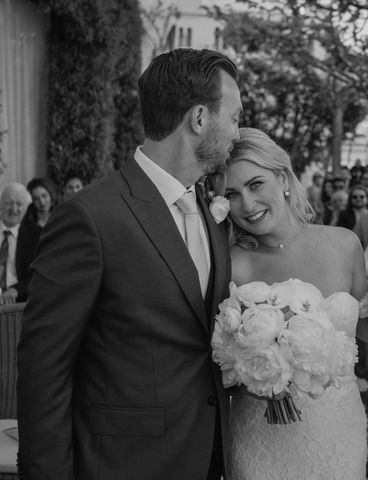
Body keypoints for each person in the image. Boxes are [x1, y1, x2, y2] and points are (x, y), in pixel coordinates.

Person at [17, 48, 242, 480]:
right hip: (124, 465)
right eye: (233, 117)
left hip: (208, 459)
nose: (238, 131)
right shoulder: (90, 217)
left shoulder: (212, 213)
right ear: (199, 119)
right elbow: (44, 372)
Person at [219, 127, 368, 480]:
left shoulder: (343, 244)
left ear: (283, 178)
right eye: (232, 193)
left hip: (336, 430)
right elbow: (218, 357)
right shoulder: (230, 263)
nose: (247, 204)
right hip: (260, 435)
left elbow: (366, 325)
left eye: (255, 184)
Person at [0, 182, 41, 305]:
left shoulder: (36, 235)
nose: (14, 209)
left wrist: (16, 290)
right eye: (8, 203)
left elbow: (38, 273)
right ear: (0, 204)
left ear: (26, 208)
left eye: (19, 204)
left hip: (19, 302)